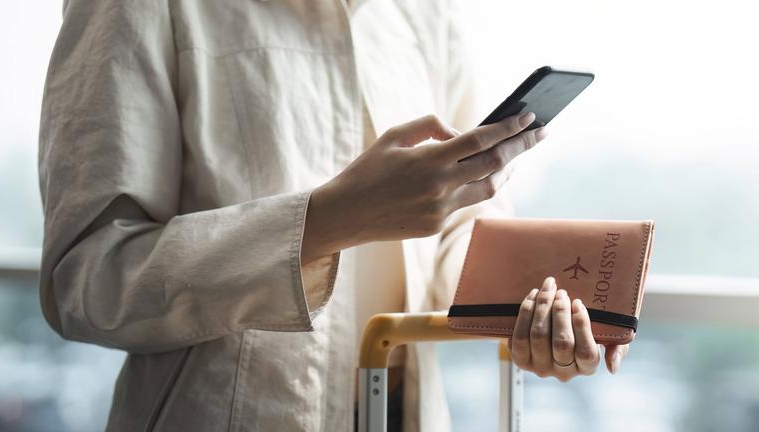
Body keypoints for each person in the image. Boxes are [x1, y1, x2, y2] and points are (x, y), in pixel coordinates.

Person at [38, 1, 629, 431]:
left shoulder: (422, 14)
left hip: (406, 414)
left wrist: (530, 315)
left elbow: (461, 222)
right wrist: (328, 220)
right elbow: (86, 278)